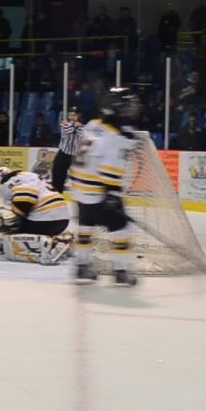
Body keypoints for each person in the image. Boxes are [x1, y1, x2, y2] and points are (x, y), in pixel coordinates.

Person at [68, 88, 142, 286]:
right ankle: (121, 271)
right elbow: (108, 171)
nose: (130, 111)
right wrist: (112, 195)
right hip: (98, 189)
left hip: (78, 186)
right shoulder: (117, 138)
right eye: (126, 107)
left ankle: (82, 267)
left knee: (85, 227)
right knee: (121, 230)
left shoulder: (92, 124)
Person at [0, 167, 72, 265]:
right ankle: (60, 237)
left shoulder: (12, 183)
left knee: (1, 219)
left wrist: (8, 216)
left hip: (46, 221)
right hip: (62, 221)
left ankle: (44, 245)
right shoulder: (29, 177)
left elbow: (23, 208)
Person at [52, 110, 82, 192]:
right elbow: (69, 130)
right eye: (70, 115)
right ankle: (56, 196)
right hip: (63, 155)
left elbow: (81, 133)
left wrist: (77, 126)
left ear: (78, 116)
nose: (72, 117)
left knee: (78, 181)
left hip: (75, 157)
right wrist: (76, 126)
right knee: (57, 180)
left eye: (74, 115)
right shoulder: (64, 124)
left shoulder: (82, 127)